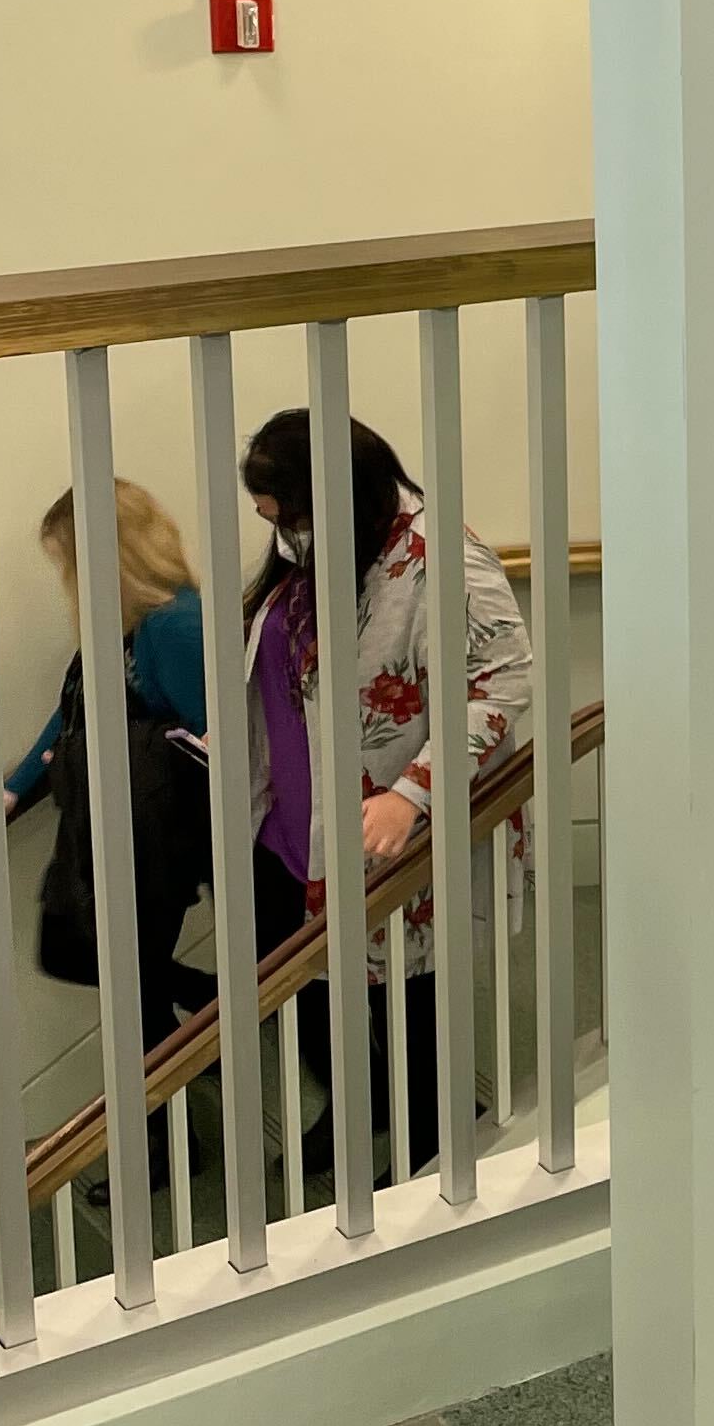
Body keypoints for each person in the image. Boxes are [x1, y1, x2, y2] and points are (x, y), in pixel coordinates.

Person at [239, 408, 531, 1169]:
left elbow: (504, 684)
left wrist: (414, 792)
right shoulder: (324, 552)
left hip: (392, 828)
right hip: (296, 825)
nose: (280, 533)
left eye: (286, 515)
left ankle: (431, 1159)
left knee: (410, 1005)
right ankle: (357, 1107)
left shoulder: (443, 559)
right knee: (325, 990)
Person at [10, 480, 212, 1061]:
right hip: (128, 833)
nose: (67, 580)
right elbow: (77, 710)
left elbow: (221, 737)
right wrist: (15, 789)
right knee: (121, 979)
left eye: (67, 563)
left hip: (159, 837)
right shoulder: (126, 626)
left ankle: (180, 1114)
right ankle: (181, 1105)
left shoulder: (173, 625)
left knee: (124, 980)